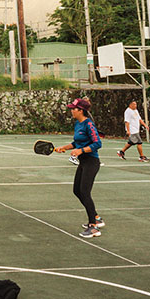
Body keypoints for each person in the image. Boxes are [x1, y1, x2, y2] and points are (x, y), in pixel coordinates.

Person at [55, 97, 104, 238]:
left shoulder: (89, 125)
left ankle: (93, 226)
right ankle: (96, 217)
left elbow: (97, 143)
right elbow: (77, 142)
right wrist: (64, 147)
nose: (71, 110)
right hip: (83, 162)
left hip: (91, 162)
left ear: (80, 110)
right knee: (77, 191)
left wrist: (81, 151)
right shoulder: (78, 124)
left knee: (85, 192)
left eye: (73, 108)